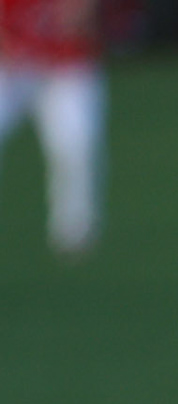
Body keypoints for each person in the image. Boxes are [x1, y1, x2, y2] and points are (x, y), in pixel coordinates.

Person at [0, 0, 110, 255]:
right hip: (11, 66)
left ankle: (75, 234)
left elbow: (82, 20)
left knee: (75, 145)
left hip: (66, 66)